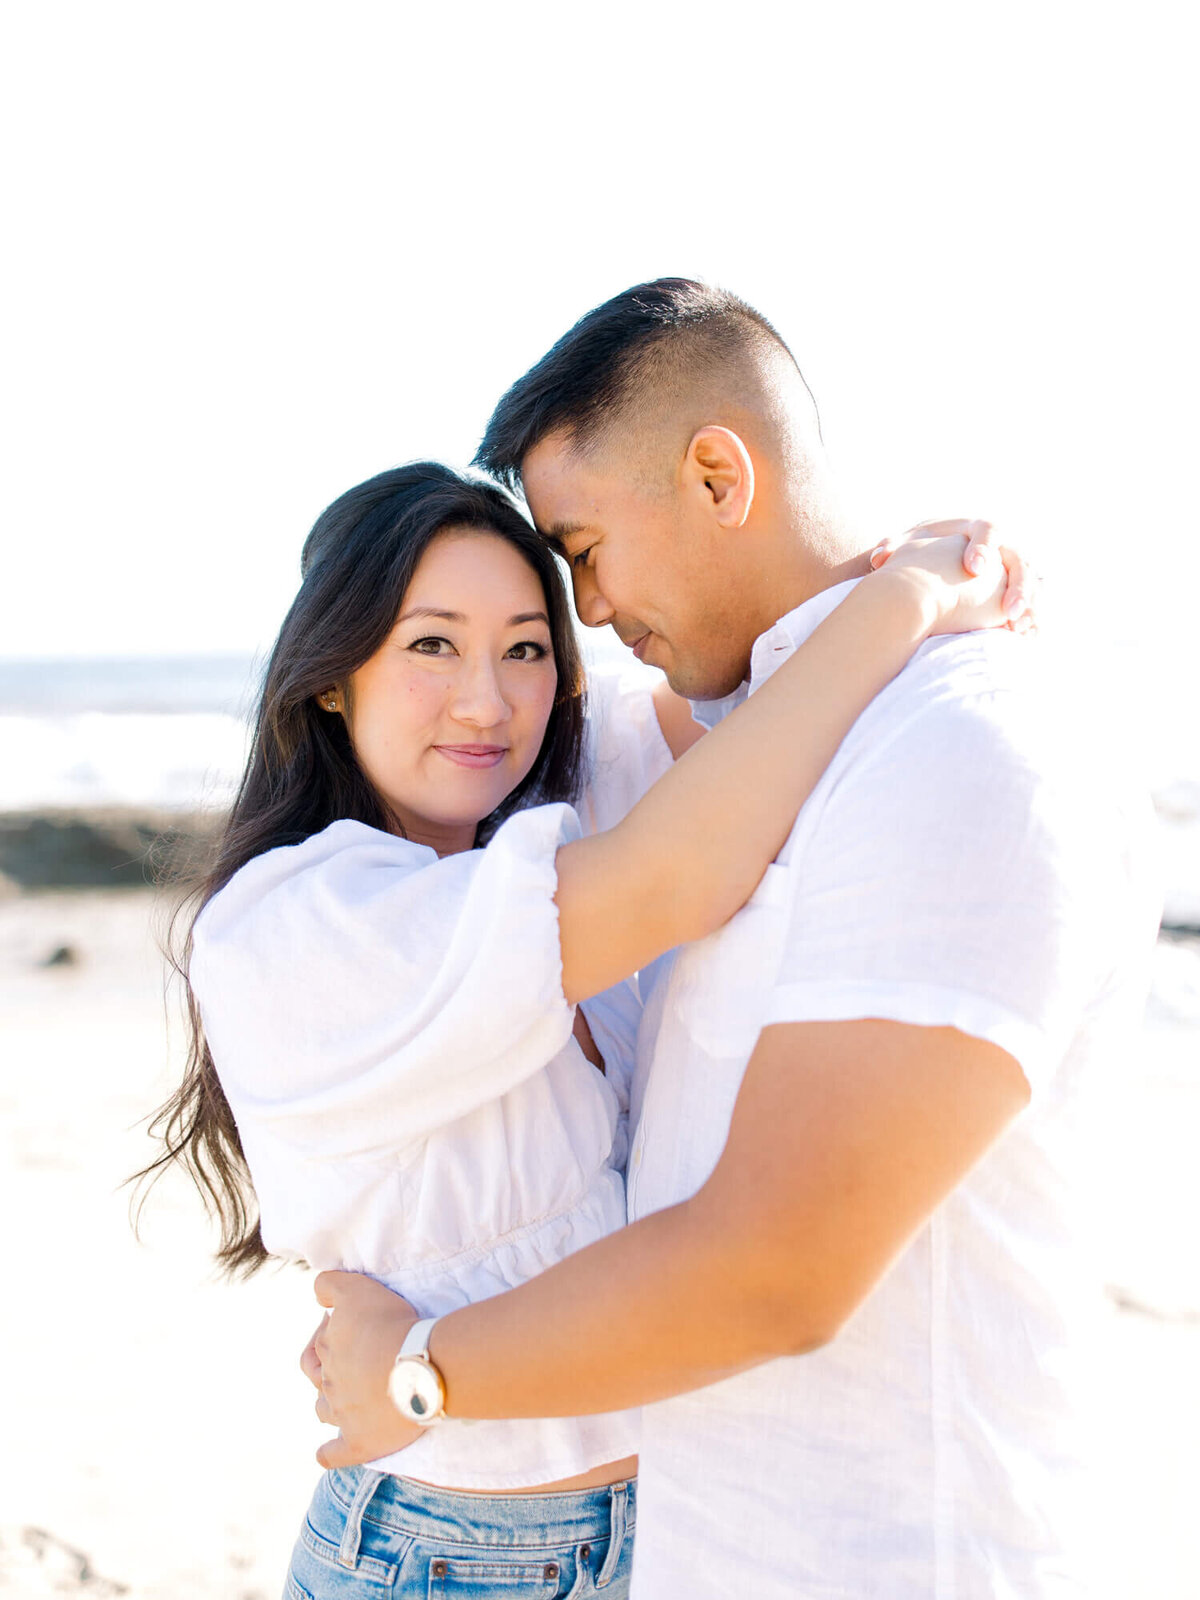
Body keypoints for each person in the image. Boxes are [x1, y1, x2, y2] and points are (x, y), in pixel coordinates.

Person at [307, 281, 1161, 1600]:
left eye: (584, 547)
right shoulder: (754, 742)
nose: (585, 608)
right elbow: (429, 739)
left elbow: (782, 1267)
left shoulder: (961, 751)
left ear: (718, 472)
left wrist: (424, 1366)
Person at [142, 458, 1016, 1598]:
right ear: (329, 677)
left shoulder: (547, 819)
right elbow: (684, 872)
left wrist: (919, 573)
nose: (486, 702)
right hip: (450, 1552)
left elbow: (763, 709)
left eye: (525, 648)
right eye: (431, 644)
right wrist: (907, 598)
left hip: (670, 1530)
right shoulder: (294, 924)